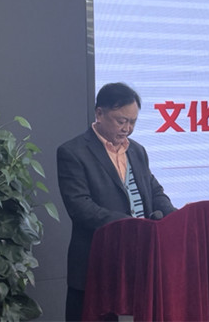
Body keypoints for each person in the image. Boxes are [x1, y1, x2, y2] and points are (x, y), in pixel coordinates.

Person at [57, 82, 177, 321]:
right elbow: (81, 207)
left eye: (132, 122)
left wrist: (175, 218)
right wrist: (131, 226)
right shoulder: (73, 152)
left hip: (139, 259)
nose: (127, 129)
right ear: (99, 113)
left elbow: (154, 192)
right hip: (96, 262)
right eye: (121, 121)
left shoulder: (137, 151)